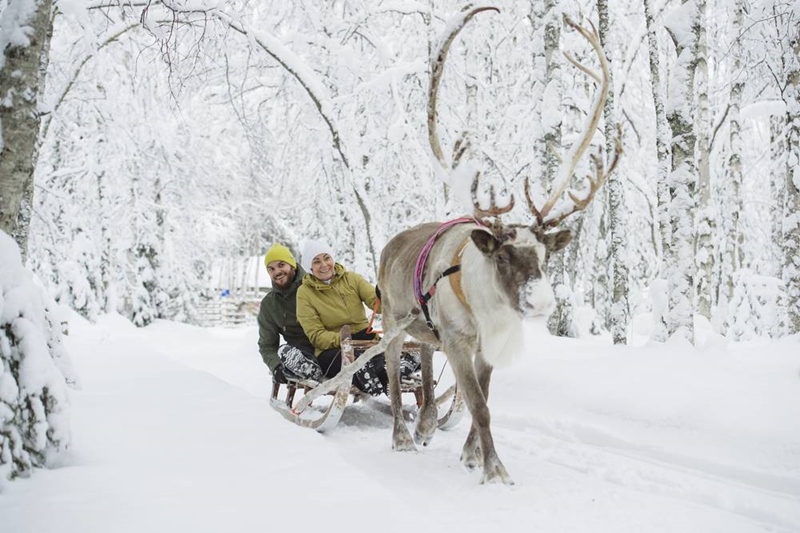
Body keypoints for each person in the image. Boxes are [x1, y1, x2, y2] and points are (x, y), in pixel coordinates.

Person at [296, 239, 419, 396]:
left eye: (327, 258)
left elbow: (378, 305)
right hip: (333, 350)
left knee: (405, 350)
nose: (324, 265)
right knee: (359, 357)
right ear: (310, 267)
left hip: (364, 340)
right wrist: (345, 339)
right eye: (316, 261)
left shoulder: (352, 279)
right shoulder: (304, 293)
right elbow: (316, 335)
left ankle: (389, 374)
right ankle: (384, 375)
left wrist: (385, 294)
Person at [257, 243, 324, 385]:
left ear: (292, 265)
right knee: (285, 352)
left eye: (281, 265)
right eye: (271, 269)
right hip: (300, 353)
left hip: (326, 345)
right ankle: (309, 370)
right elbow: (267, 345)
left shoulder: (314, 285)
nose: (277, 272)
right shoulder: (269, 304)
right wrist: (276, 366)